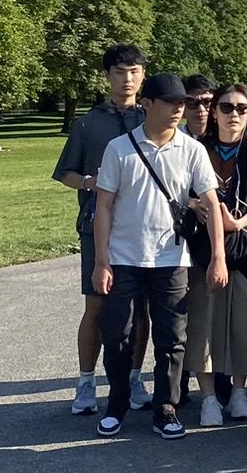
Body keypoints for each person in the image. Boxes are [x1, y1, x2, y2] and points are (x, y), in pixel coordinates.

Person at [90, 71, 227, 439]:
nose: (178, 110)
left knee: (172, 338)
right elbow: (103, 207)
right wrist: (102, 261)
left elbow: (212, 204)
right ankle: (116, 404)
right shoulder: (119, 148)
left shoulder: (192, 150)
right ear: (147, 104)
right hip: (123, 258)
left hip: (172, 259)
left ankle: (166, 407)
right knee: (118, 335)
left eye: (182, 103)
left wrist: (218, 257)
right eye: (170, 102)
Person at [53, 43, 150, 418]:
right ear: (107, 76)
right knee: (96, 305)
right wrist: (92, 182)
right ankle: (85, 382)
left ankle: (136, 377)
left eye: (134, 72)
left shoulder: (151, 118)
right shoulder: (89, 123)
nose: (127, 79)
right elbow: (66, 173)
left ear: (142, 75)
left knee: (140, 308)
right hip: (97, 225)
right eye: (119, 72)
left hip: (141, 227)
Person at [190, 81, 247, 426]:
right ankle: (208, 398)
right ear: (214, 112)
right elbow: (183, 194)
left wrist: (238, 223)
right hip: (203, 246)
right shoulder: (196, 148)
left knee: (245, 320)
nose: (234, 114)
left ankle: (239, 392)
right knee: (203, 321)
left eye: (242, 108)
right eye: (226, 107)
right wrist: (200, 208)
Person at [183, 74, 216, 139]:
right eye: (192, 103)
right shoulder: (172, 138)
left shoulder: (226, 136)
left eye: (207, 101)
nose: (201, 109)